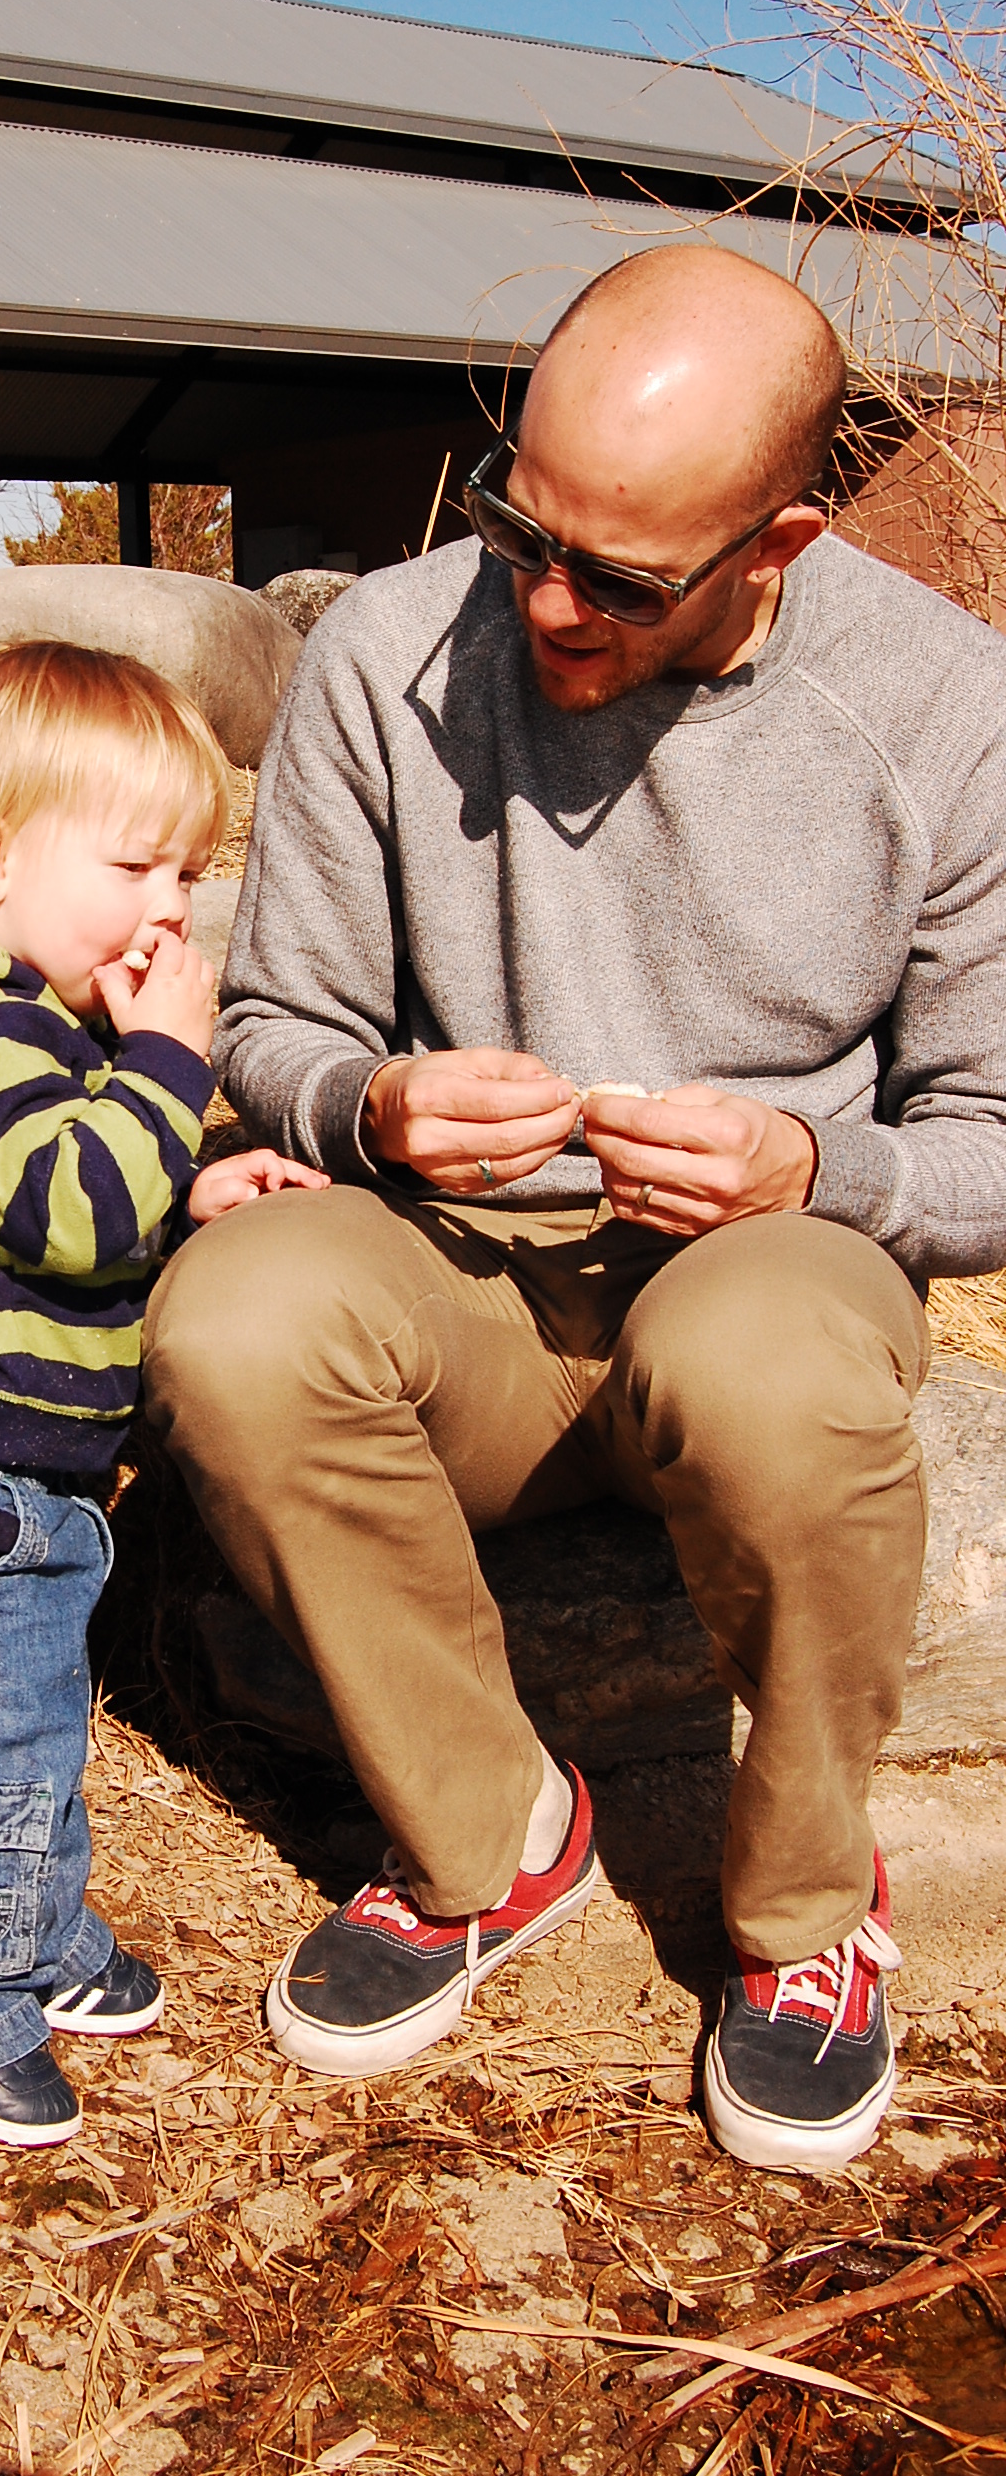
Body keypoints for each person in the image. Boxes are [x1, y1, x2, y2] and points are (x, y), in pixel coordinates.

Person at [144, 242, 1006, 2174]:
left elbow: (994, 1134)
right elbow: (275, 1026)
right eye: (517, 525)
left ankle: (805, 1915)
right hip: (455, 1277)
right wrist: (367, 1104)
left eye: (619, 578)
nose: (544, 602)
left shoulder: (952, 709)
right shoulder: (384, 648)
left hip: (760, 1275)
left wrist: (819, 1171)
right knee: (236, 1316)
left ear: (777, 543)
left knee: (777, 1361)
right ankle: (493, 1840)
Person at [0, 643, 326, 2148]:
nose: (172, 910)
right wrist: (167, 1067)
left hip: (3, 1476)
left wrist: (188, 1186)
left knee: (21, 1722)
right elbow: (68, 1210)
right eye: (137, 867)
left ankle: (29, 1930)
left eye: (190, 875)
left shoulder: (34, 1029)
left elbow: (63, 1215)